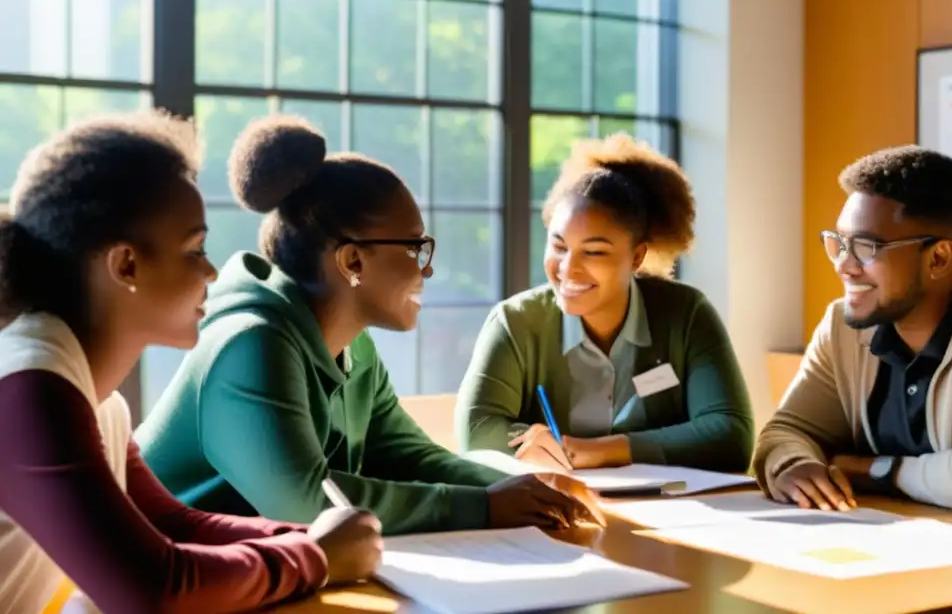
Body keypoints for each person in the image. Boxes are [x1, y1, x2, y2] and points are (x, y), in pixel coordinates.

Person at [136, 115, 602, 536]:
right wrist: (484, 506)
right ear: (352, 259)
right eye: (415, 248)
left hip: (261, 574)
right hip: (172, 583)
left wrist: (525, 484)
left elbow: (408, 456)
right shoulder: (250, 345)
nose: (428, 270)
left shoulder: (354, 348)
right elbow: (306, 503)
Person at [0, 112, 381, 614]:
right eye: (194, 248)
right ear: (125, 265)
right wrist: (316, 556)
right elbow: (154, 588)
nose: (212, 269)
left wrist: (312, 536)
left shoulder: (95, 399)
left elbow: (175, 524)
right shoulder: (31, 390)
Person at [454, 134, 754, 473]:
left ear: (637, 257)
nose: (568, 268)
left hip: (673, 508)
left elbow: (732, 436)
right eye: (558, 246)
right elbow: (477, 431)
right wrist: (532, 440)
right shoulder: (515, 322)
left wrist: (604, 450)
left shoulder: (686, 315)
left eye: (594, 252)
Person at [754, 146, 952, 518]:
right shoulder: (842, 327)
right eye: (839, 243)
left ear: (939, 259)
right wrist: (792, 465)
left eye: (866, 247)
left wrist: (878, 471)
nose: (844, 266)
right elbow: (788, 430)